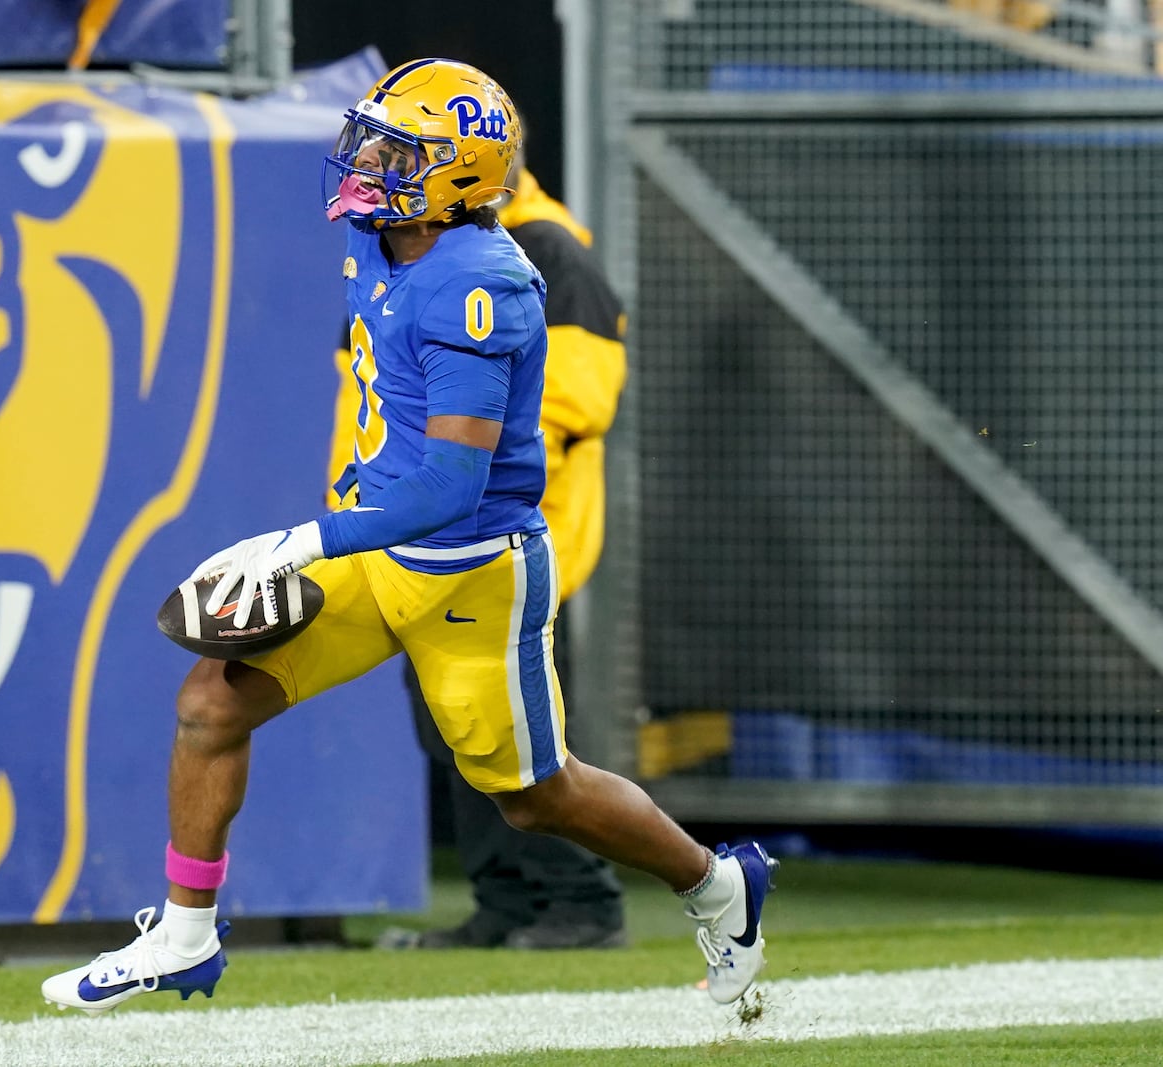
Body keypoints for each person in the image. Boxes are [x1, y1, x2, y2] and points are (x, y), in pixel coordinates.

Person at [40, 58, 776, 1016]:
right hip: (376, 552)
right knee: (210, 704)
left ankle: (719, 885)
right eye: (373, 137)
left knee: (534, 794)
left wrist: (304, 540)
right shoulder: (379, 240)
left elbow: (448, 484)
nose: (369, 159)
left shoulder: (487, 283)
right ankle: (184, 933)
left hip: (470, 571)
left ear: (460, 174)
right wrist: (335, 522)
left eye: (399, 150)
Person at [325, 163, 631, 950]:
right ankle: (507, 900)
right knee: (448, 724)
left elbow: (566, 406)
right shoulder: (393, 250)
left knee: (518, 737)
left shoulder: (540, 255)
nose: (375, 170)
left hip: (491, 534)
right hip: (405, 529)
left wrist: (481, 523)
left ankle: (583, 900)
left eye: (400, 154)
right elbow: (372, 401)